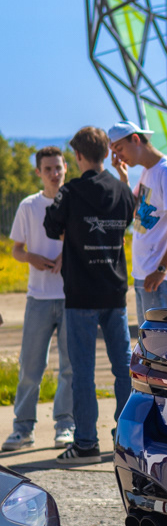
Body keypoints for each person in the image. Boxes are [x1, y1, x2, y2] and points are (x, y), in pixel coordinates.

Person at [44, 126, 134, 465]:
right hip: (114, 291)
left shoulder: (70, 191)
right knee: (123, 367)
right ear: (106, 154)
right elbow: (129, 218)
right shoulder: (122, 190)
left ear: (78, 156)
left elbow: (51, 227)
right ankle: (125, 437)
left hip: (81, 293)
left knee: (82, 371)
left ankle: (85, 443)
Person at [2, 147, 75, 452]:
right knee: (31, 366)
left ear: (66, 167)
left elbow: (82, 241)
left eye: (58, 167)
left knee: (70, 367)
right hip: (38, 297)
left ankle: (65, 425)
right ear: (38, 172)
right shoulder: (28, 206)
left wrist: (65, 257)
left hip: (71, 298)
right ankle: (23, 428)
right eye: (48, 169)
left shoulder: (75, 201)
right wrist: (31, 257)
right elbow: (16, 249)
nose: (54, 174)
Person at [108, 120, 167, 325]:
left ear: (136, 139)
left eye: (119, 149)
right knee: (148, 340)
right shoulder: (148, 171)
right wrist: (123, 178)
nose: (118, 157)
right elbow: (134, 208)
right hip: (145, 273)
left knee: (161, 341)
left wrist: (161, 270)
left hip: (159, 278)